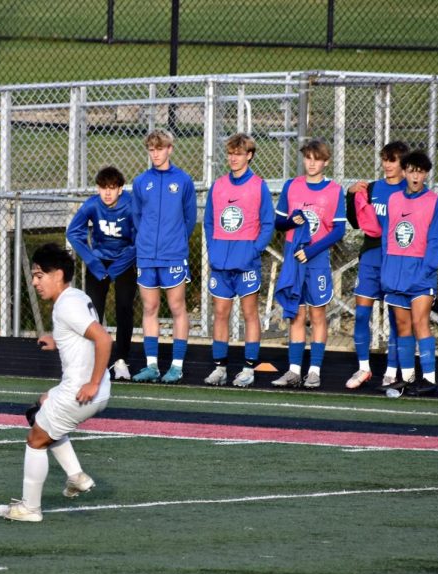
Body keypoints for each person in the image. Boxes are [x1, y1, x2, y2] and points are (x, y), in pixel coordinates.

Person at [0, 243, 111, 522]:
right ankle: (76, 476)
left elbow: (104, 339)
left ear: (58, 275)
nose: (35, 282)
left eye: (39, 275)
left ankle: (30, 508)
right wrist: (56, 340)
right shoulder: (74, 297)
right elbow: (82, 336)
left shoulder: (66, 305)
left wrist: (92, 383)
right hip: (89, 388)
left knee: (36, 440)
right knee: (40, 410)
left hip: (83, 390)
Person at [271, 139, 346, 389]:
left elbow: (338, 230)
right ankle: (293, 370)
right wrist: (292, 221)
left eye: (317, 159)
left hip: (317, 260)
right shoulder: (291, 186)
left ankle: (314, 370)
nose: (312, 163)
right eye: (308, 158)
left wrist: (312, 250)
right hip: (294, 259)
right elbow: (279, 223)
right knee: (296, 314)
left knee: (317, 315)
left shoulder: (334, 190)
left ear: (325, 162)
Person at [201, 133, 274, 387]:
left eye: (239, 153)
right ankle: (220, 367)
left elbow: (268, 223)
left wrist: (254, 250)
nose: (233, 158)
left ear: (249, 156)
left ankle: (248, 367)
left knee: (249, 313)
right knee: (220, 313)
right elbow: (209, 221)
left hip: (246, 263)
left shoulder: (258, 186)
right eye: (231, 153)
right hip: (221, 262)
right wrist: (213, 247)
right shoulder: (219, 185)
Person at [130, 129, 197, 384]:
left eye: (160, 149)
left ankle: (177, 366)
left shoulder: (183, 180)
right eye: (151, 149)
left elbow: (189, 218)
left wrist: (175, 240)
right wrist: (145, 240)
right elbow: (137, 218)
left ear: (170, 149)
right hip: (146, 255)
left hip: (173, 255)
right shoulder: (140, 182)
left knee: (177, 307)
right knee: (149, 307)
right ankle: (151, 366)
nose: (155, 154)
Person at [345, 141, 410, 389]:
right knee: (361, 314)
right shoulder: (371, 188)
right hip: (371, 258)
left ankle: (392, 371)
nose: (386, 165)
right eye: (384, 159)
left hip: (396, 260)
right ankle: (363, 368)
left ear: (403, 164)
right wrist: (351, 195)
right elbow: (354, 222)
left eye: (392, 160)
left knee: (395, 317)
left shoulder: (409, 191)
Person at [380, 150, 438, 395]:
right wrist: (387, 269)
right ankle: (407, 378)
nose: (415, 176)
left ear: (426, 174)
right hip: (395, 273)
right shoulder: (394, 200)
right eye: (411, 171)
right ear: (404, 172)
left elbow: (436, 241)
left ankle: (429, 378)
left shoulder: (435, 202)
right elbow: (388, 237)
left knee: (420, 322)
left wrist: (425, 272)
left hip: (420, 275)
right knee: (402, 325)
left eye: (420, 172)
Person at [66, 166, 138, 381]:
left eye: (112, 188)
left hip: (124, 261)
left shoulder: (131, 205)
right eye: (103, 188)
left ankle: (121, 361)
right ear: (97, 188)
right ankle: (91, 361)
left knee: (124, 307)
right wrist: (93, 261)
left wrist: (118, 267)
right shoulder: (92, 205)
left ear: (120, 189)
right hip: (99, 261)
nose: (107, 193)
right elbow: (73, 232)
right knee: (92, 311)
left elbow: (140, 240)